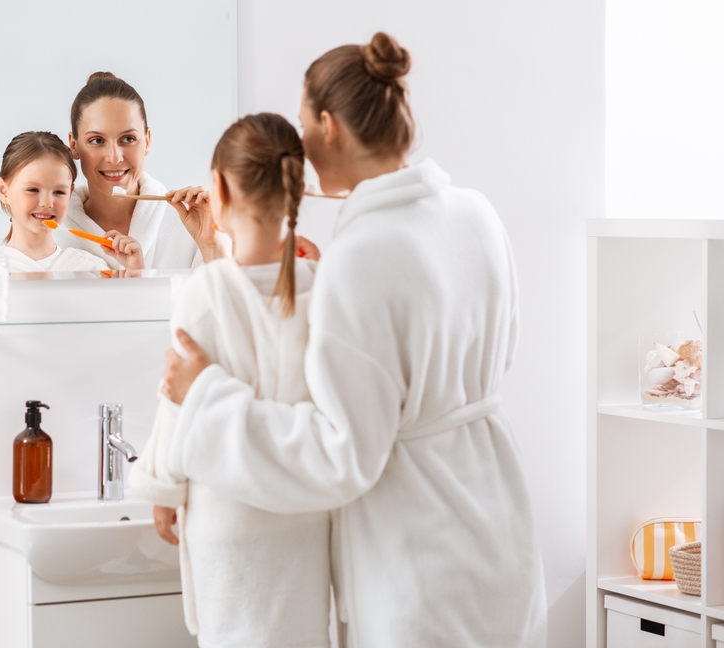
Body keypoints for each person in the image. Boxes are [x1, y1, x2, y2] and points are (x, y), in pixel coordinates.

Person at [158, 32, 547, 647]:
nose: (300, 145)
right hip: (500, 524)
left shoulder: (360, 256)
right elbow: (504, 353)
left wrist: (205, 399)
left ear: (329, 126)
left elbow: (337, 457)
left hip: (418, 550)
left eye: (304, 124)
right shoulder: (475, 212)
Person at [131, 113, 330, 648]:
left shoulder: (205, 290)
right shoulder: (322, 287)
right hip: (305, 523)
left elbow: (176, 398)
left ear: (218, 189)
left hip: (227, 521)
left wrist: (163, 489)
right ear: (295, 191)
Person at [59, 72, 230, 270]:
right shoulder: (53, 229)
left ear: (147, 141)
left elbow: (226, 290)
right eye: (97, 141)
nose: (114, 157)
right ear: (74, 145)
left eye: (128, 139)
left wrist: (211, 247)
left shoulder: (188, 225)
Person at [0, 131, 143, 273]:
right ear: (3, 191)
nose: (47, 203)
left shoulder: (90, 268)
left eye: (59, 192)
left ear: (70, 193)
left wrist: (136, 272)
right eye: (33, 190)